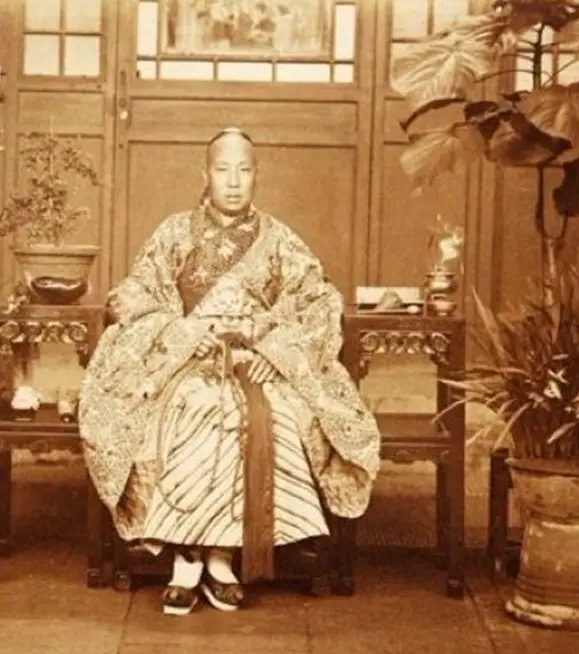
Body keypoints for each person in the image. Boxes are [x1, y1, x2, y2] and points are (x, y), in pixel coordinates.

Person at [79, 127, 380, 615]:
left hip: (257, 364)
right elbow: (133, 296)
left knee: (270, 416)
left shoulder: (279, 239)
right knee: (196, 408)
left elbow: (318, 300)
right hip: (187, 362)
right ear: (205, 174)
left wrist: (272, 350)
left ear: (257, 175)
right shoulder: (175, 233)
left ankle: (221, 556)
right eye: (223, 170)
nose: (234, 182)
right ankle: (188, 559)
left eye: (244, 170)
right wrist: (183, 335)